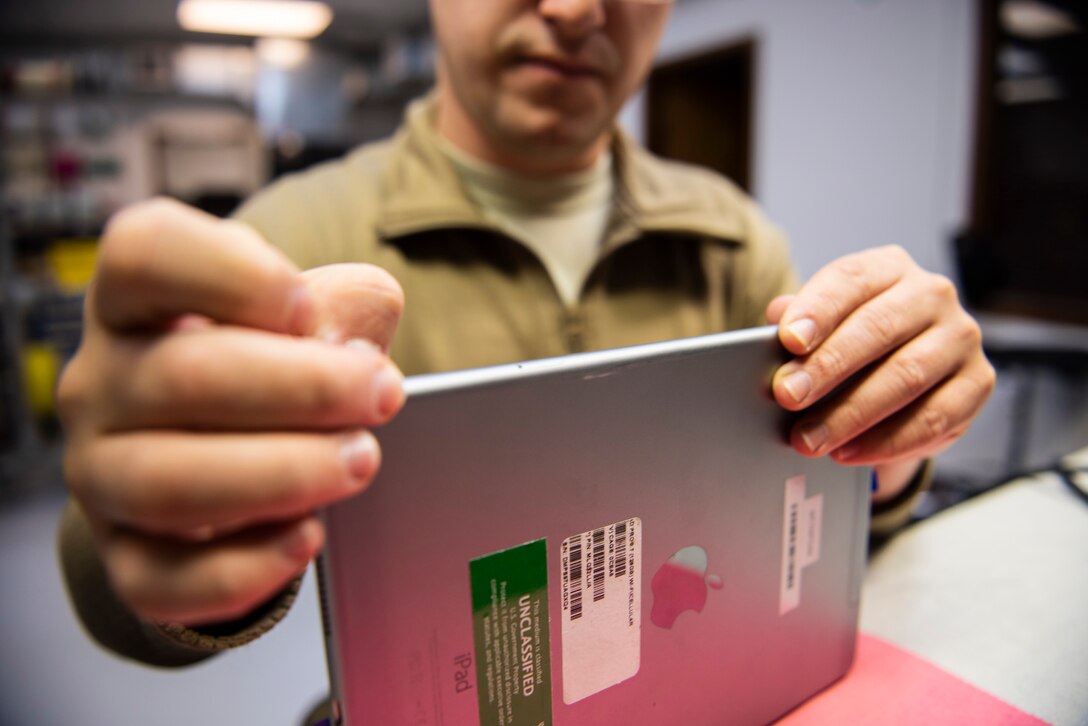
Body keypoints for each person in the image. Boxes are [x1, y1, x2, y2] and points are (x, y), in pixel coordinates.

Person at [56, 0, 994, 668]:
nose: (577, 9)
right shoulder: (288, 238)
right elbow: (113, 588)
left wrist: (888, 440)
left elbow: (801, 528)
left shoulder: (732, 236)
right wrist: (164, 529)